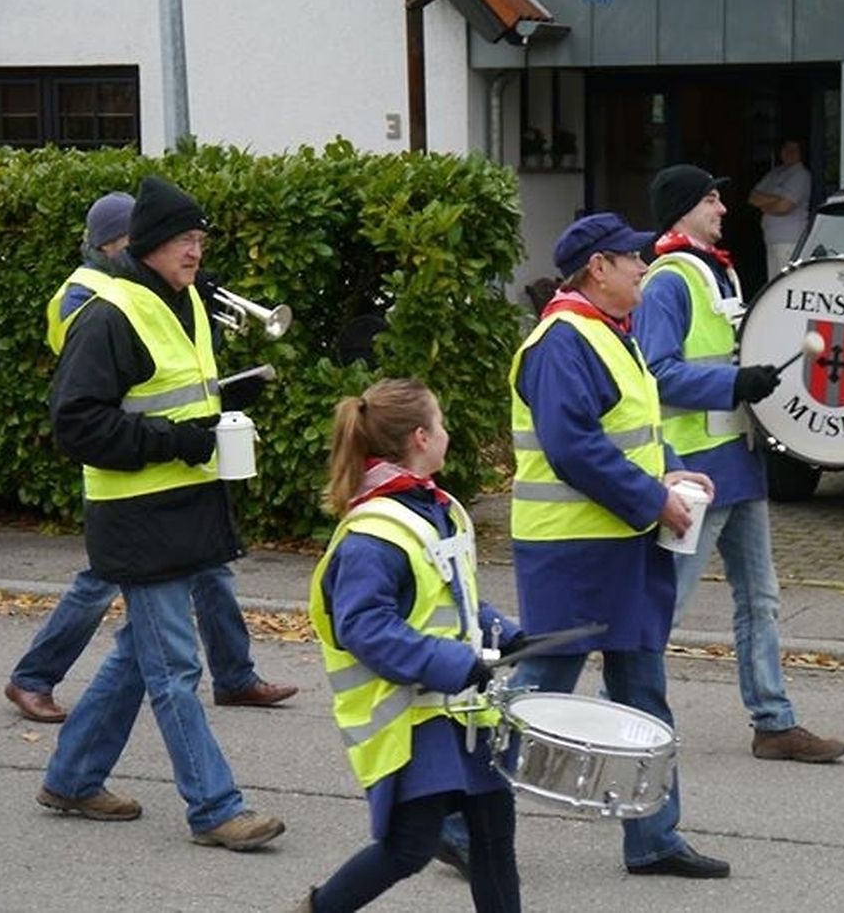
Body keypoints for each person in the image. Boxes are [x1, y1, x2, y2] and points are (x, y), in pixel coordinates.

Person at [441, 212, 728, 881]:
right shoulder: (562, 341)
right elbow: (574, 448)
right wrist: (652, 498)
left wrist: (670, 471)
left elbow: (632, 429)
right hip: (575, 552)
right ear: (598, 269)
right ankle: (453, 820)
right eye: (632, 258)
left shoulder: (608, 331)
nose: (644, 268)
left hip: (618, 547)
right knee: (538, 697)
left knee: (642, 692)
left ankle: (653, 836)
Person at [36, 175, 285, 851]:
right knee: (174, 665)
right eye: (183, 239)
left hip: (183, 505)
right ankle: (216, 809)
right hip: (137, 516)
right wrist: (179, 441)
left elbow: (171, 398)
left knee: (138, 656)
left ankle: (72, 777)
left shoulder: (186, 301)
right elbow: (77, 426)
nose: (195, 251)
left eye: (200, 238)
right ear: (147, 244)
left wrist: (225, 406)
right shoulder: (109, 315)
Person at [4, 191, 297, 723]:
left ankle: (234, 675)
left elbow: (173, 377)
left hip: (177, 476)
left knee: (209, 573)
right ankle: (34, 677)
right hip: (129, 479)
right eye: (129, 240)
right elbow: (98, 381)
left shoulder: (150, 287)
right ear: (106, 245)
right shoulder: (85, 294)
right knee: (102, 587)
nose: (138, 248)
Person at [636, 163, 844, 764]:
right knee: (666, 605)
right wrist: (735, 383)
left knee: (760, 601)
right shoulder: (669, 281)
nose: (723, 208)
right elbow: (655, 373)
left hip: (738, 462)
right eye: (710, 199)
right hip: (695, 471)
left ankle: (774, 723)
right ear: (683, 209)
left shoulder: (718, 271)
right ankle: (626, 713)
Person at [297, 378, 522, 913]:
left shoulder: (436, 507)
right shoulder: (373, 534)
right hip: (410, 717)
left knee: (494, 838)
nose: (447, 433)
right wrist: (451, 662)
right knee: (409, 846)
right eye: (440, 423)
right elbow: (364, 628)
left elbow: (455, 599)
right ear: (421, 437)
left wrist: (509, 633)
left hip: (462, 709)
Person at [747, 138, 812, 280]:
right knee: (773, 282)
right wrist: (777, 198)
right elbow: (752, 198)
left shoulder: (801, 175)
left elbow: (784, 207)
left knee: (785, 282)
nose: (789, 153)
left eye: (794, 150)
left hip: (790, 241)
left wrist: (765, 204)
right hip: (772, 240)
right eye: (786, 148)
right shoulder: (774, 173)